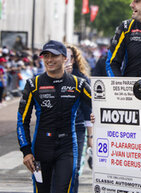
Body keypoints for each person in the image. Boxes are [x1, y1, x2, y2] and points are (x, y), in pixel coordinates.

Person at [16, 40, 92, 192]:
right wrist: (26, 151)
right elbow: (22, 120)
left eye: (54, 56)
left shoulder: (79, 84)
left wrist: (96, 118)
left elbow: (100, 105)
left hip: (67, 147)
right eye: (46, 56)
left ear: (65, 58)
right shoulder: (33, 84)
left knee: (61, 190)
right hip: (40, 149)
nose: (49, 60)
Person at [65, 44, 93, 193]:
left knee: (73, 169)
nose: (64, 60)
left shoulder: (81, 79)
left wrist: (91, 136)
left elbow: (89, 109)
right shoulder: (46, 78)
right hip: (53, 131)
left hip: (77, 129)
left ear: (73, 60)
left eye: (67, 57)